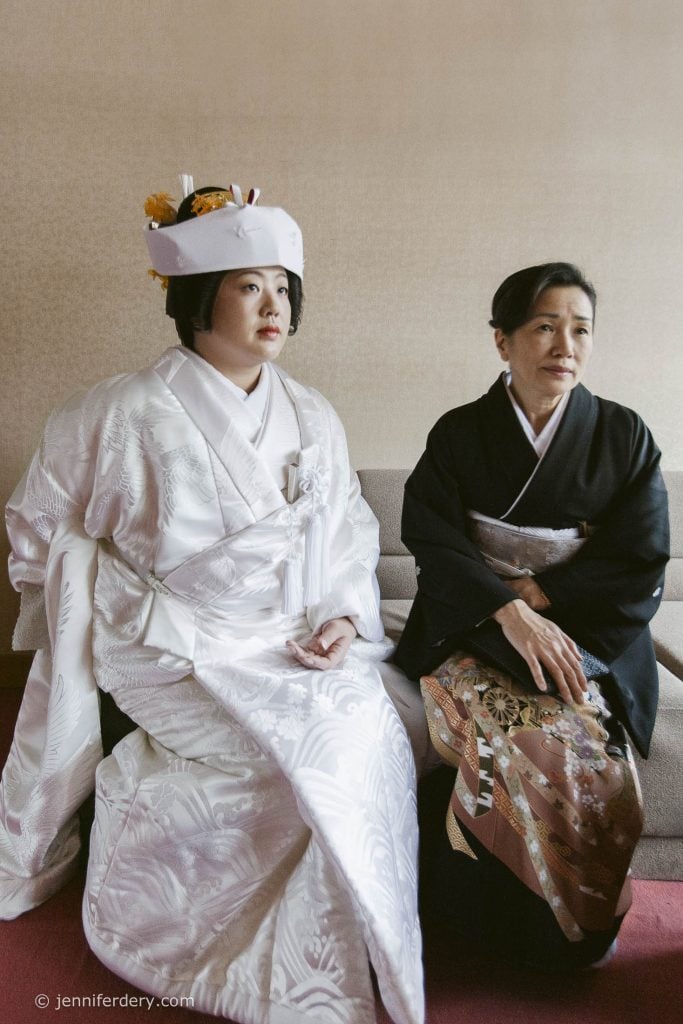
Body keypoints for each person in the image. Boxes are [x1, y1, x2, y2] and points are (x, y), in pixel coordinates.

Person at [0, 179, 424, 1024]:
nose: (274, 306)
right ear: (199, 297)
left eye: (282, 288)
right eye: (248, 286)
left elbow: (343, 530)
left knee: (369, 728)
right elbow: (38, 527)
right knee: (282, 758)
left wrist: (342, 618)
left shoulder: (312, 415)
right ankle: (211, 948)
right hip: (174, 646)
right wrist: (93, 595)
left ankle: (333, 959)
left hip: (291, 637)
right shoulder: (119, 411)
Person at [394, 262, 669, 969]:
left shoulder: (622, 436)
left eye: (579, 329)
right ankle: (476, 923)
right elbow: (432, 539)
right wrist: (505, 609)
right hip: (473, 628)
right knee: (505, 740)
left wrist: (543, 599)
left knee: (580, 753)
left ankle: (571, 932)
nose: (563, 345)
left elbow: (639, 558)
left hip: (583, 632)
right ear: (502, 340)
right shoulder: (460, 432)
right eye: (543, 326)